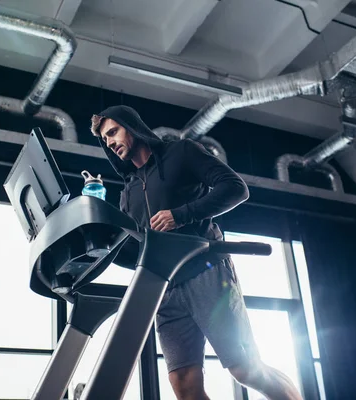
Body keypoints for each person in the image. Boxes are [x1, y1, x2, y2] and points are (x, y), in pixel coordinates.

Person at [90, 105, 303, 400]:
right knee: (184, 384)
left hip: (206, 271)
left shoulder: (181, 153)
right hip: (163, 288)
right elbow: (137, 249)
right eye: (105, 140)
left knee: (244, 368)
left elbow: (236, 188)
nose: (110, 142)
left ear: (132, 126)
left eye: (113, 132)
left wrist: (182, 214)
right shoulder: (128, 192)